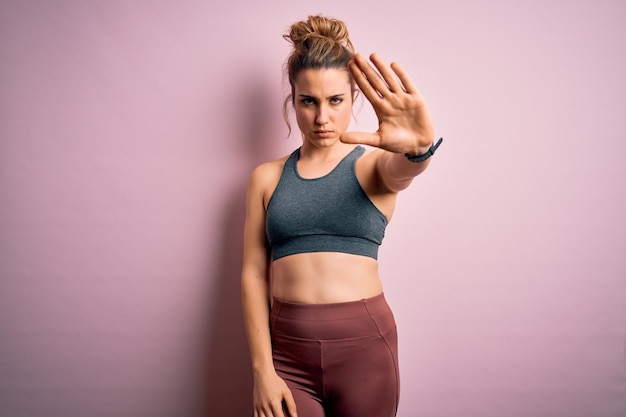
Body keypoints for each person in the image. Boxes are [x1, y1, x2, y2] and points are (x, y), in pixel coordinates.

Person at [241, 14, 442, 417]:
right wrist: (263, 370)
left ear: (354, 99)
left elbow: (403, 171)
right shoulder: (266, 178)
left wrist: (417, 151)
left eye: (335, 101)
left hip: (365, 352)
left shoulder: (373, 167)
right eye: (308, 101)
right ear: (292, 100)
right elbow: (252, 272)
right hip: (287, 357)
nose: (322, 118)